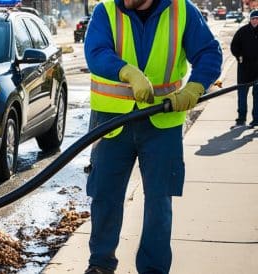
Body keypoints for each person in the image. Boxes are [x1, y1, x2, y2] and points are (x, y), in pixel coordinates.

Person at [83, 0, 222, 273]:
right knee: (105, 195)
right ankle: (100, 264)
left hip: (162, 124)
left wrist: (195, 87)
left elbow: (209, 53)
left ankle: (153, 268)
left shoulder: (182, 11)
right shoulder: (107, 10)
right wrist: (126, 71)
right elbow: (96, 52)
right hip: (112, 122)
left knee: (159, 201)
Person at [229, 10, 258, 128]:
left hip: (257, 70)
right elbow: (234, 45)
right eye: (253, 18)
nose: (255, 20)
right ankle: (241, 119)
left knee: (257, 96)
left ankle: (256, 120)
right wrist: (239, 55)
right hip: (244, 69)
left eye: (257, 18)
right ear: (250, 19)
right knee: (242, 95)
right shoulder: (242, 31)